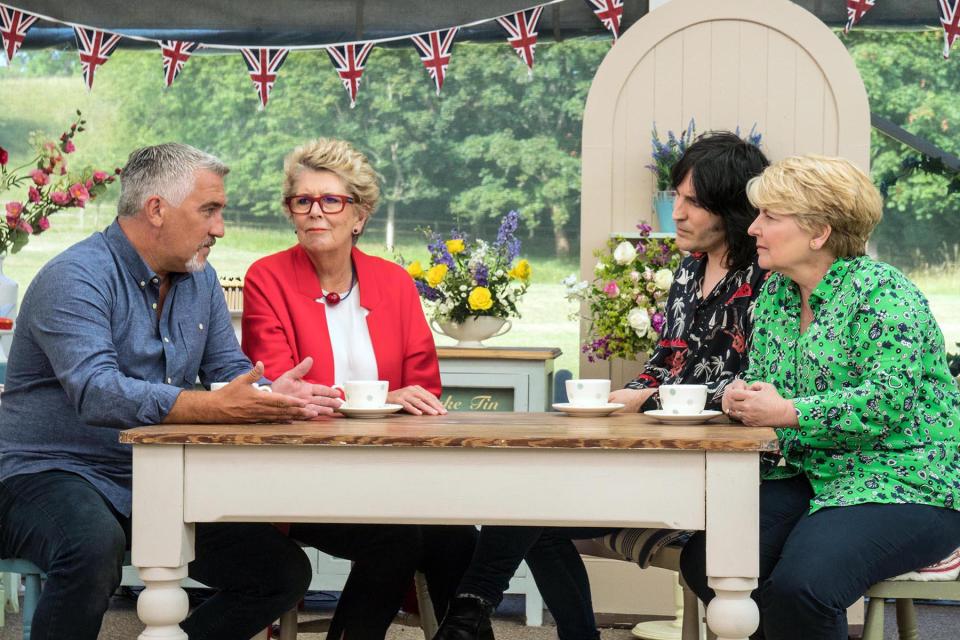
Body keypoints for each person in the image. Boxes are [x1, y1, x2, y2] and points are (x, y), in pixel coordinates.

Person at [0, 143, 346, 640]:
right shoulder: (74, 278)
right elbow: (98, 393)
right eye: (209, 210)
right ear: (156, 209)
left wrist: (273, 394)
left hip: (153, 478)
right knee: (91, 547)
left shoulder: (198, 280)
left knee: (281, 575)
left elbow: (229, 369)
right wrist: (215, 406)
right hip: (46, 472)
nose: (220, 228)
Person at [434, 132, 771, 640]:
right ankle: (477, 616)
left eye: (693, 202)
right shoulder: (687, 270)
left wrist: (647, 397)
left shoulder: (768, 279)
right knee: (527, 503)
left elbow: (742, 387)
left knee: (531, 509)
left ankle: (466, 615)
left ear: (732, 208)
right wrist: (624, 396)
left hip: (717, 472)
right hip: (662, 452)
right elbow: (668, 360)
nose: (676, 213)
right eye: (675, 197)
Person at [679, 154, 960, 640]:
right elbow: (768, 387)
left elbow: (887, 400)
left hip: (904, 479)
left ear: (819, 233)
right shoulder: (776, 296)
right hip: (810, 473)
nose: (753, 229)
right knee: (710, 562)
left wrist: (788, 411)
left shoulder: (884, 293)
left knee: (802, 588)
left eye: (770, 217)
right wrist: (740, 398)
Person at [242, 137, 477, 637]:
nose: (315, 212)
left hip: (392, 475)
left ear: (359, 215)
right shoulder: (267, 278)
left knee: (459, 538)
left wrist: (388, 399)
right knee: (399, 537)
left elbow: (423, 391)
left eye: (331, 200)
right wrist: (379, 399)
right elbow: (288, 391)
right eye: (302, 201)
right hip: (301, 477)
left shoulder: (393, 282)